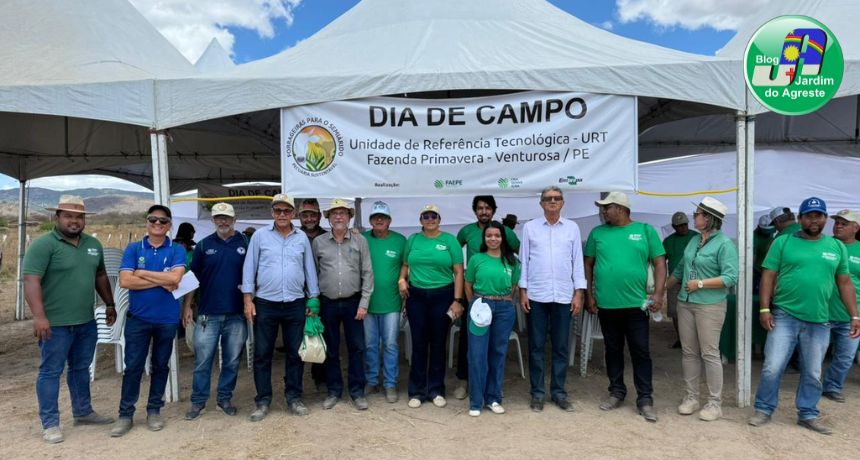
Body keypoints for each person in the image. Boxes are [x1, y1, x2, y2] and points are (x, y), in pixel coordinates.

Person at [749, 197, 860, 435]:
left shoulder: (835, 247)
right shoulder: (783, 242)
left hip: (820, 320)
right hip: (785, 315)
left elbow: (845, 283)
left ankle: (808, 413)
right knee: (772, 366)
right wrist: (764, 308)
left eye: (819, 215)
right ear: (800, 219)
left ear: (825, 219)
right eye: (809, 215)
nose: (814, 220)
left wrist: (855, 316)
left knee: (812, 371)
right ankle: (764, 409)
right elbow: (768, 275)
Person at [23, 195, 115, 443]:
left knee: (80, 369)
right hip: (55, 324)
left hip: (86, 321)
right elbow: (31, 281)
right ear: (57, 217)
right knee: (50, 372)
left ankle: (83, 412)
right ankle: (50, 423)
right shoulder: (43, 245)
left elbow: (101, 276)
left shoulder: (93, 244)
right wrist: (39, 317)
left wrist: (110, 303)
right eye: (68, 216)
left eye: (79, 216)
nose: (74, 221)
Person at [584, 191, 666, 422]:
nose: (603, 211)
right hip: (607, 305)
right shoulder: (597, 233)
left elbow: (660, 263)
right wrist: (589, 295)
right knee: (613, 349)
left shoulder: (645, 231)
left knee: (640, 350)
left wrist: (659, 293)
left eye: (607, 207)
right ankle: (617, 391)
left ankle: (645, 398)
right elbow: (588, 265)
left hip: (637, 305)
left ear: (620, 208)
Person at [242, 194, 320, 422]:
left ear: (293, 213)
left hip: (296, 303)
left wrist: (313, 298)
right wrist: (248, 300)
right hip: (265, 303)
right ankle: (263, 400)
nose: (282, 215)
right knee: (262, 354)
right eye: (278, 211)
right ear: (272, 212)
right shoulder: (259, 236)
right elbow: (249, 268)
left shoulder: (302, 238)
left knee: (296, 353)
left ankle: (294, 397)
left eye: (287, 211)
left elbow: (310, 270)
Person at [111, 205, 186, 437]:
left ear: (169, 225)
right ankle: (125, 415)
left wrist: (141, 273)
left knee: (160, 366)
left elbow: (176, 279)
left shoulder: (177, 249)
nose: (157, 224)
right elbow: (125, 281)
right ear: (146, 222)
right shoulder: (134, 248)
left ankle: (154, 410)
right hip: (138, 319)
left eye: (162, 221)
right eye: (153, 219)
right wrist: (162, 280)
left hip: (166, 319)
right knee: (133, 367)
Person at [665, 197, 738, 421]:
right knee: (689, 352)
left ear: (709, 218)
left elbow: (731, 277)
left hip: (710, 305)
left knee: (709, 353)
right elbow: (679, 269)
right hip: (686, 302)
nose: (693, 216)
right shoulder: (694, 240)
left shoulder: (724, 244)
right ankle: (692, 397)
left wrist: (701, 283)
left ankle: (715, 403)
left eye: (697, 214)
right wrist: (658, 291)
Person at [518, 186, 585, 413]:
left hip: (564, 295)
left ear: (563, 203)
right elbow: (524, 261)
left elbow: (577, 262)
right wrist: (523, 290)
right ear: (541, 204)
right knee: (536, 346)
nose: (553, 202)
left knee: (560, 347)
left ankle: (558, 392)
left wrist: (579, 293)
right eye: (548, 199)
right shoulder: (530, 228)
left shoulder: (572, 228)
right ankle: (537, 393)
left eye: (557, 198)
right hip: (536, 294)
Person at [182, 203, 248, 420]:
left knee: (231, 360)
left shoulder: (245, 243)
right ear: (213, 220)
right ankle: (198, 402)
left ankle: (224, 398)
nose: (223, 221)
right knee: (203, 360)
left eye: (227, 218)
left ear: (234, 219)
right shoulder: (203, 246)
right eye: (218, 218)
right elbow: (193, 278)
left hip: (237, 314)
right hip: (207, 315)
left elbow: (254, 274)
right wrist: (188, 306)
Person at [454, 195, 521, 399]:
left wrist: (508, 296)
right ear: (475, 211)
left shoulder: (506, 232)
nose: (484, 211)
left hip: (499, 295)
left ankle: (492, 387)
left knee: (495, 345)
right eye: (480, 208)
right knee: (469, 340)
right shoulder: (466, 231)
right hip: (474, 293)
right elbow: (456, 255)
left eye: (488, 208)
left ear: (493, 210)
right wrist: (470, 298)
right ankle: (464, 381)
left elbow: (519, 253)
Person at [399, 204, 465, 409]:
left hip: (443, 295)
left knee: (438, 343)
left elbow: (459, 272)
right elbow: (405, 265)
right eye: (425, 216)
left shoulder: (449, 241)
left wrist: (457, 300)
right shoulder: (413, 240)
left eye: (433, 216)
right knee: (418, 343)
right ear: (420, 220)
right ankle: (417, 391)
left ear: (439, 219)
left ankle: (436, 389)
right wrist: (402, 279)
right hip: (416, 296)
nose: (429, 219)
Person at [313, 199, 374, 410]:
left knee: (357, 348)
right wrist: (313, 302)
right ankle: (334, 391)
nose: (339, 216)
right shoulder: (319, 242)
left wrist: (364, 303)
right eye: (334, 213)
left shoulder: (360, 241)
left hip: (353, 302)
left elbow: (367, 273)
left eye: (343, 213)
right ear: (328, 218)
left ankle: (357, 392)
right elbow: (313, 273)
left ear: (349, 217)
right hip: (327, 303)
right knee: (331, 348)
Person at [465, 221, 520, 416]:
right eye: (489, 235)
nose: (493, 239)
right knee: (477, 354)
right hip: (480, 306)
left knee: (498, 353)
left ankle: (494, 398)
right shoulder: (476, 259)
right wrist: (476, 303)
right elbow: (468, 284)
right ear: (484, 238)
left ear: (503, 238)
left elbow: (514, 287)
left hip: (504, 309)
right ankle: (476, 401)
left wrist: (502, 301)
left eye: (497, 235)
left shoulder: (512, 261)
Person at [362, 201, 406, 403]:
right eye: (375, 217)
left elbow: (407, 266)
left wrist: (403, 280)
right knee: (370, 345)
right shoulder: (361, 239)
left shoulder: (400, 241)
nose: (379, 220)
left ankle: (390, 383)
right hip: (367, 303)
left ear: (389, 221)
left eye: (383, 217)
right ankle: (371, 380)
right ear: (370, 221)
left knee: (389, 344)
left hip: (391, 303)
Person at [821, 209, 860, 403]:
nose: (838, 226)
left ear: (856, 228)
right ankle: (810, 386)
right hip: (822, 312)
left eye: (844, 223)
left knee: (845, 357)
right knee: (813, 355)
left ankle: (832, 386)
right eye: (837, 222)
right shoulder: (825, 244)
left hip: (851, 315)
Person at [297, 198, 327, 391]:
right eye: (305, 215)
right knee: (296, 337)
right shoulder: (293, 235)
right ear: (299, 217)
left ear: (319, 216)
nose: (309, 218)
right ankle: (295, 381)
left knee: (320, 334)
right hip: (297, 295)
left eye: (313, 214)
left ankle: (320, 377)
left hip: (322, 295)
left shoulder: (328, 236)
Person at [662, 211, 698, 348]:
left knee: (694, 309)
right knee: (675, 311)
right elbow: (661, 261)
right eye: (679, 226)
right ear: (673, 226)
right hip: (674, 281)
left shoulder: (696, 237)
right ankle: (681, 339)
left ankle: (694, 340)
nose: (682, 227)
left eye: (684, 225)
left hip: (693, 280)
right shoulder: (668, 241)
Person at [752, 215, 775, 294]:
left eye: (770, 231)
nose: (768, 234)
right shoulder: (753, 238)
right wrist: (762, 272)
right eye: (766, 232)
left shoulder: (774, 230)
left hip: (772, 269)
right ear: (759, 227)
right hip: (759, 271)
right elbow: (751, 261)